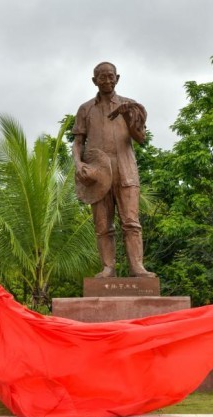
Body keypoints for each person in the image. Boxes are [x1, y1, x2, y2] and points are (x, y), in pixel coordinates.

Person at [72, 61, 155, 278]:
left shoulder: (131, 105)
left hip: (126, 169)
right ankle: (108, 267)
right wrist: (79, 164)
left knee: (131, 222)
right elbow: (78, 142)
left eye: (111, 76)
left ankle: (137, 267)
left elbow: (141, 138)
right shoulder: (86, 109)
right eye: (102, 77)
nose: (107, 80)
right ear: (94, 81)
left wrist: (128, 117)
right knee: (102, 225)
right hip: (98, 173)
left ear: (117, 78)